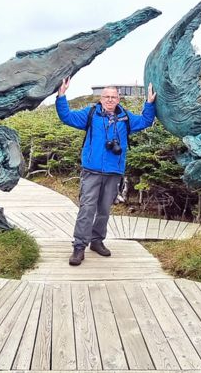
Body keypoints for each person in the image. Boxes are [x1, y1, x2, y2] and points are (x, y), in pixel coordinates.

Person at [55, 78, 157, 265]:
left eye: (113, 97)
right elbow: (66, 116)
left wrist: (149, 103)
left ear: (119, 99)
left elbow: (145, 120)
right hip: (92, 171)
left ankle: (97, 241)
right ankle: (79, 247)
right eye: (106, 97)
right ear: (101, 99)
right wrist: (61, 95)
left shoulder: (126, 118)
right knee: (87, 208)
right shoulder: (91, 114)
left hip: (114, 172)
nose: (110, 100)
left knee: (103, 210)